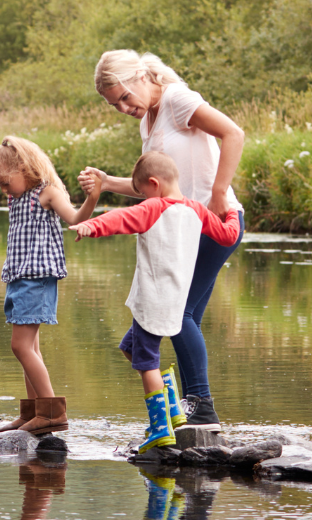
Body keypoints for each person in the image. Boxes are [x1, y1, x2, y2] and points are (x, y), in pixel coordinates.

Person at [79, 50, 246, 431]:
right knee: (184, 319)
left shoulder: (176, 99)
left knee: (177, 317)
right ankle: (187, 410)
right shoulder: (150, 121)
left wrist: (219, 193)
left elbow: (233, 133)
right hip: (181, 231)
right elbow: (151, 190)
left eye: (124, 97)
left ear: (140, 76)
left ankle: (200, 408)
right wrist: (105, 182)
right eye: (114, 104)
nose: (123, 108)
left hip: (212, 223)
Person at [70, 152, 239, 452]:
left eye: (142, 192)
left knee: (147, 361)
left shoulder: (154, 208)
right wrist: (233, 215)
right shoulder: (197, 210)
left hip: (152, 301)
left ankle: (160, 429)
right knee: (131, 347)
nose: (142, 198)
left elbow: (120, 219)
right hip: (175, 299)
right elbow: (227, 236)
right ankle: (173, 409)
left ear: (154, 184)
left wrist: (91, 226)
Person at [0, 136, 102, 434]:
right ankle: (33, 412)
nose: (3, 190)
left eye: (5, 182)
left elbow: (76, 217)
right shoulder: (17, 196)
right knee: (30, 347)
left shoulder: (47, 193)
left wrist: (93, 197)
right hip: (18, 276)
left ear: (24, 168)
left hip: (36, 277)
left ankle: (52, 412)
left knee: (20, 346)